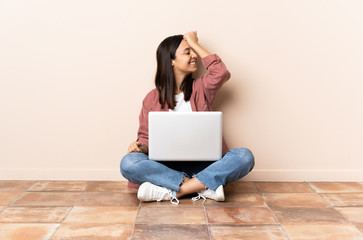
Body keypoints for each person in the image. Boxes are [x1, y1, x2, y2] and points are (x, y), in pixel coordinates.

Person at [120, 31, 254, 205]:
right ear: (171, 61)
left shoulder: (201, 88)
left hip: (205, 165)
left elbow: (220, 73)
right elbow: (145, 138)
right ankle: (203, 187)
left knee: (244, 156)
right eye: (187, 52)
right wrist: (140, 146)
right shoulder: (152, 98)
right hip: (166, 167)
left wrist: (194, 43)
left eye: (194, 51)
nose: (194, 56)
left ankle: (173, 191)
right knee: (128, 162)